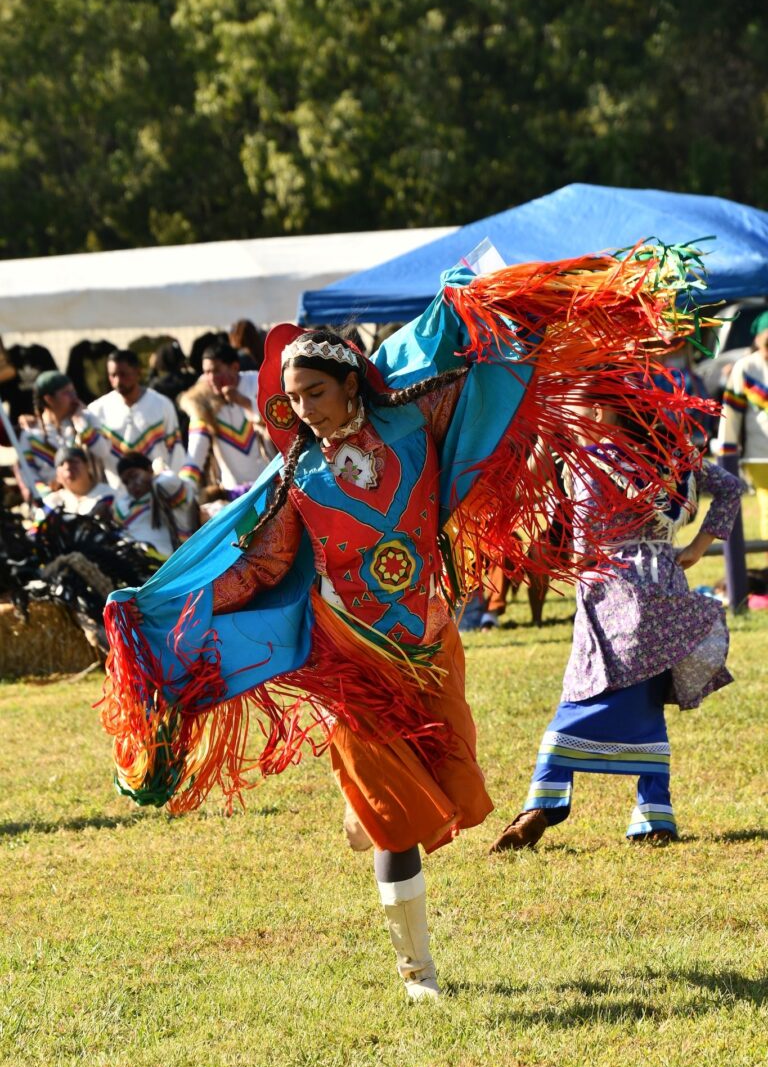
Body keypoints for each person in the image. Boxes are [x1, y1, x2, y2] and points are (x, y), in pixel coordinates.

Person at [99, 245, 714, 1000]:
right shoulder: (300, 477)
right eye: (293, 402)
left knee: (440, 799)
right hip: (351, 664)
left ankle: (374, 817)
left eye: (316, 393)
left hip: (427, 647)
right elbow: (260, 570)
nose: (305, 411)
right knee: (394, 818)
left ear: (351, 383)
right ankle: (416, 971)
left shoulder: (413, 427)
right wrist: (174, 616)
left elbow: (483, 377)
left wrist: (494, 307)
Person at [489, 394, 742, 854]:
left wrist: (544, 437)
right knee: (644, 702)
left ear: (601, 412)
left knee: (583, 693)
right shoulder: (671, 457)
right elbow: (730, 488)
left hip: (613, 595)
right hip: (661, 590)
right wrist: (697, 548)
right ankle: (653, 813)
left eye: (573, 410)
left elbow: (527, 480)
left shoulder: (591, 458)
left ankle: (541, 805)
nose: (568, 419)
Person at [179, 339, 275, 507]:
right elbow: (196, 450)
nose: (210, 378)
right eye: (206, 372)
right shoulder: (203, 399)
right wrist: (184, 485)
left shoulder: (258, 383)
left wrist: (245, 402)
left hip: (272, 486)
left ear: (235, 367)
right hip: (233, 496)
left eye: (216, 371)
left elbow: (277, 422)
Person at [86, 349, 186, 489]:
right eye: (113, 375)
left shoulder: (161, 404)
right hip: (120, 493)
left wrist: (174, 484)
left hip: (158, 490)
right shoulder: (97, 410)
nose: (118, 380)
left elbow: (175, 448)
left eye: (123, 374)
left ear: (138, 372)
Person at [715, 310, 768, 541]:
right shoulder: (746, 368)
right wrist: (727, 453)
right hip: (760, 457)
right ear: (757, 339)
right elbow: (731, 413)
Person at [16, 371, 103, 501]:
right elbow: (28, 474)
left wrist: (81, 420)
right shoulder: (31, 434)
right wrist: (48, 496)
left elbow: (102, 452)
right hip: (54, 503)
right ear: (49, 399)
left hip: (91, 497)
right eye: (66, 393)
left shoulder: (82, 422)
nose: (74, 397)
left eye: (73, 391)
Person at [112, 452, 198, 563]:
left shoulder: (164, 490)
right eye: (126, 482)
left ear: (149, 470)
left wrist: (158, 472)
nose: (132, 484)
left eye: (134, 476)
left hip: (180, 561)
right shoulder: (127, 507)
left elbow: (168, 480)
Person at [37, 445, 114, 519]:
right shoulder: (52, 502)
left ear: (87, 466)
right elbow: (36, 529)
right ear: (57, 475)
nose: (67, 467)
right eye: (61, 464)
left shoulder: (108, 495)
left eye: (73, 462)